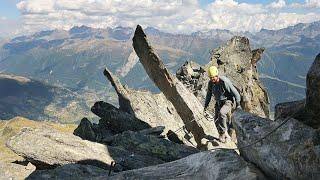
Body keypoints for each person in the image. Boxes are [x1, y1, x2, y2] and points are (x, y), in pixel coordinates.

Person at [204, 66, 241, 143]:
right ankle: (226, 136)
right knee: (217, 121)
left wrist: (238, 105)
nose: (212, 79)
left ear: (217, 75)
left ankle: (222, 134)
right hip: (219, 103)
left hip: (228, 101)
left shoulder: (224, 82)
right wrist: (205, 106)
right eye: (210, 77)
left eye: (213, 77)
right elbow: (208, 95)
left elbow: (236, 93)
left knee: (222, 113)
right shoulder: (211, 83)